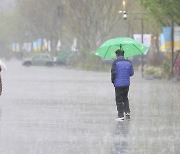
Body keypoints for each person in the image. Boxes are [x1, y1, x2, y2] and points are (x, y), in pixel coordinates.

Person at [111, 49, 134, 121]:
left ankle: (121, 115)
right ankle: (127, 112)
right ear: (123, 54)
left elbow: (113, 73)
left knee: (119, 99)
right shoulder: (129, 62)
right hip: (126, 84)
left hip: (118, 84)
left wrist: (113, 81)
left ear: (117, 55)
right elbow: (131, 73)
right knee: (125, 98)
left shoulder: (115, 62)